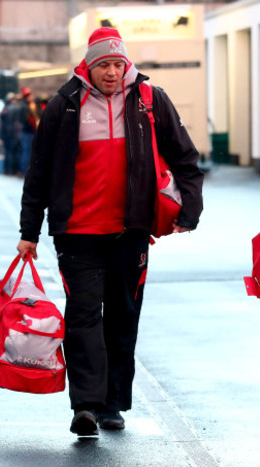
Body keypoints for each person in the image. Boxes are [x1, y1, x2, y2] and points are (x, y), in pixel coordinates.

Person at [16, 27, 204, 436]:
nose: (113, 73)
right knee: (83, 316)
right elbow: (39, 171)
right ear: (90, 64)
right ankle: (86, 404)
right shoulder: (64, 105)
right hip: (77, 232)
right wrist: (29, 229)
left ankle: (113, 402)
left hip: (130, 230)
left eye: (119, 64)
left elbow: (184, 156)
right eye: (104, 65)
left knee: (122, 316)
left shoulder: (150, 101)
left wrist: (191, 208)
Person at [17, 87, 39, 176]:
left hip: (28, 132)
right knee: (27, 152)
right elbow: (27, 120)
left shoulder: (26, 106)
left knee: (26, 152)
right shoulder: (25, 107)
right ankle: (25, 171)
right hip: (28, 132)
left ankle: (26, 171)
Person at [0, 91, 21, 175]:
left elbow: (3, 122)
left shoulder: (6, 108)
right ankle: (13, 169)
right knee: (13, 152)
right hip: (12, 133)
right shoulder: (13, 108)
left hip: (7, 133)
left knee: (9, 152)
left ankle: (8, 169)